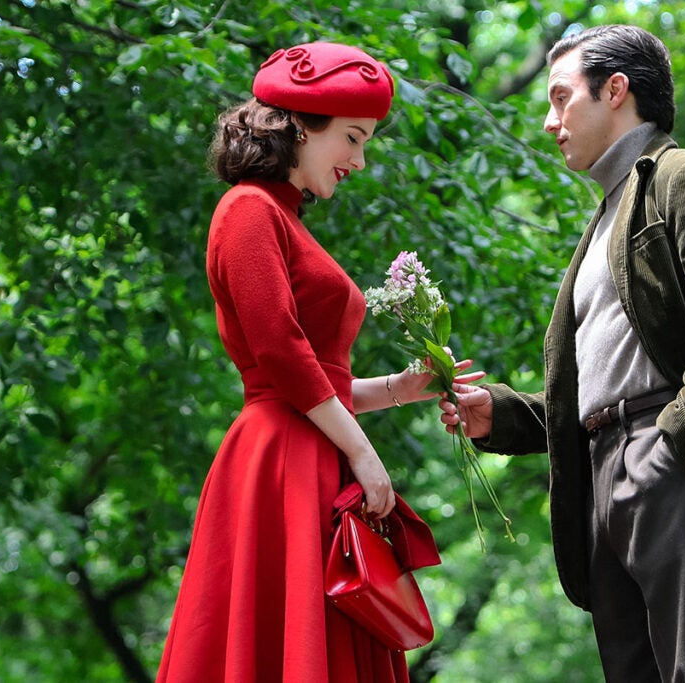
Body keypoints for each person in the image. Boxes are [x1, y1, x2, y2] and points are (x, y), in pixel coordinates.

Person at [439, 25, 685, 682]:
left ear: (616, 90)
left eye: (560, 98)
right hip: (602, 473)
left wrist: (679, 439)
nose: (551, 121)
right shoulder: (605, 218)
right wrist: (500, 415)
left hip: (672, 462)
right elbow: (598, 386)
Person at [156, 42, 479, 682]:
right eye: (353, 138)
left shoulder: (285, 217)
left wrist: (401, 387)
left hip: (307, 452)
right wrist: (363, 453)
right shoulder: (249, 208)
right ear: (299, 124)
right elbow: (279, 352)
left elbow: (315, 377)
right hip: (280, 460)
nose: (360, 160)